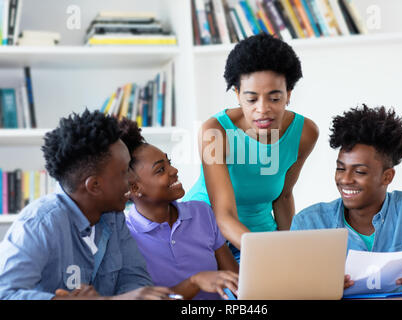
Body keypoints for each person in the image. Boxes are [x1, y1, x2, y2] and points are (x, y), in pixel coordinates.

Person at [0, 110, 174, 300]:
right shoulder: (39, 224)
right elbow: (6, 293)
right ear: (94, 186)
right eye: (125, 172)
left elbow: (136, 281)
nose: (132, 179)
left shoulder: (114, 217)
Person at [183, 33, 319, 261]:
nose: (263, 109)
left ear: (288, 95)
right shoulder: (215, 132)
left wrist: (291, 253)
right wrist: (264, 254)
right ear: (237, 95)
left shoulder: (305, 133)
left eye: (274, 98)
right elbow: (223, 215)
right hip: (207, 236)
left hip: (260, 236)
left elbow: (283, 197)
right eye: (251, 99)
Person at [291, 105, 402, 291]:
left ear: (387, 177)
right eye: (340, 168)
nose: (345, 179)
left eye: (359, 171)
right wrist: (313, 287)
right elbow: (285, 285)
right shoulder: (309, 223)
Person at [119, 119, 239, 300]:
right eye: (160, 170)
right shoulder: (125, 235)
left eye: (169, 162)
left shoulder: (202, 212)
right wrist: (195, 281)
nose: (174, 170)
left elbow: (237, 280)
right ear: (135, 188)